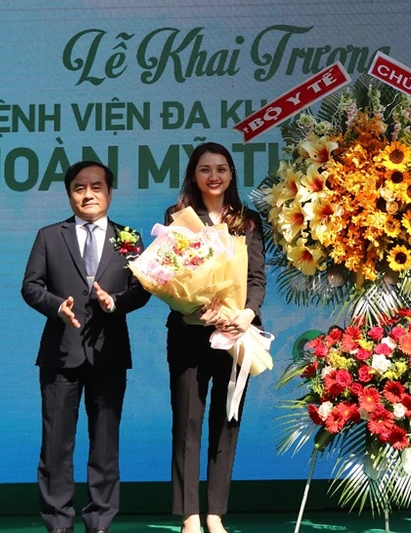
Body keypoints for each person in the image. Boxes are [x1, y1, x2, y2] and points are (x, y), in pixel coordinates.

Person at [21, 160, 152, 533]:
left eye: (96, 187)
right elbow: (30, 286)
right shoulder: (50, 235)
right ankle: (58, 521)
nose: (88, 194)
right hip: (60, 353)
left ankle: (100, 520)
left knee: (105, 443)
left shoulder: (128, 236)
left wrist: (116, 303)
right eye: (79, 188)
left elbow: (142, 288)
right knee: (56, 444)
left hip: (109, 352)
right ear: (69, 195)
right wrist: (56, 306)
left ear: (110, 193)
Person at [165, 142, 267, 533]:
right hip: (189, 334)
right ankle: (189, 515)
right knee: (187, 423)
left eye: (221, 169)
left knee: (227, 420)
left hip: (235, 335)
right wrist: (191, 307)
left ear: (231, 175)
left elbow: (256, 278)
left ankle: (215, 514)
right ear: (193, 176)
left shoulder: (248, 220)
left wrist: (246, 314)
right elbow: (170, 276)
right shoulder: (177, 218)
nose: (214, 176)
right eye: (205, 169)